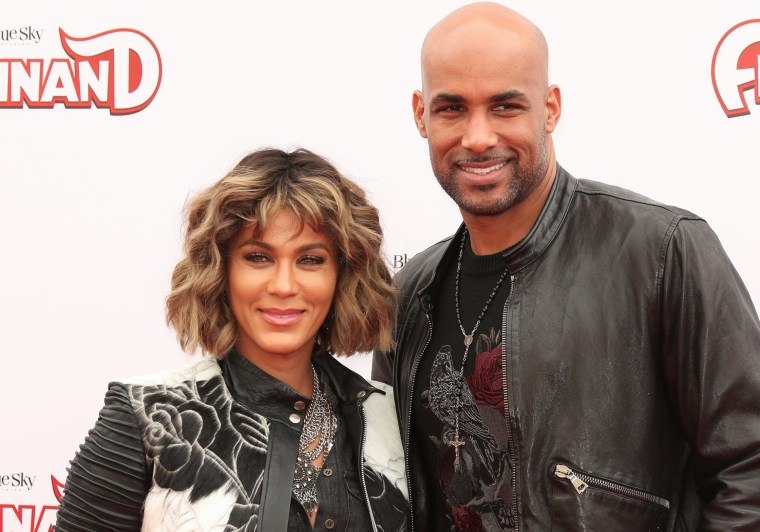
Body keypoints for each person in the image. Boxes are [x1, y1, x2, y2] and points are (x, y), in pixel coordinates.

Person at [372, 3, 760, 531]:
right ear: (421, 115)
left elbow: (749, 469)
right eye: (452, 108)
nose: (478, 137)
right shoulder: (408, 296)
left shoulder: (661, 252)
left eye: (505, 106)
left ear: (550, 109)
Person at [56, 148, 408, 531]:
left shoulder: (393, 417)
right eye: (258, 257)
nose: (284, 285)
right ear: (221, 270)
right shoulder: (145, 418)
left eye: (310, 259)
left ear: (343, 274)